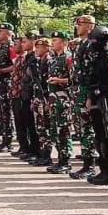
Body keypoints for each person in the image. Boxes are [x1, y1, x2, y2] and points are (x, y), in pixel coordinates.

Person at [84, 25, 108, 185]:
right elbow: (93, 81)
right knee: (99, 138)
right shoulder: (96, 57)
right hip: (97, 100)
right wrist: (92, 96)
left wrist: (100, 93)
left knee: (107, 137)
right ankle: (103, 169)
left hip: (106, 102)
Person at [71, 15, 100, 179]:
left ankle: (90, 165)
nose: (77, 26)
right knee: (82, 129)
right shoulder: (81, 44)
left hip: (86, 92)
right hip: (78, 91)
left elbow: (91, 72)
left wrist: (90, 95)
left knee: (87, 129)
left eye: (80, 24)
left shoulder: (91, 45)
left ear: (90, 26)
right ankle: (86, 163)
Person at [45, 31, 74, 173]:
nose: (53, 42)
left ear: (64, 42)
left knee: (64, 131)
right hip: (53, 100)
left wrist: (59, 80)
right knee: (54, 131)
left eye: (56, 40)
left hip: (64, 100)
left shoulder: (69, 58)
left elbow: (74, 79)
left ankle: (66, 162)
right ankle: (60, 160)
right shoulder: (53, 59)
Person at [29, 37, 54, 166]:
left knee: (46, 127)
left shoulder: (49, 62)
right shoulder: (36, 62)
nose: (36, 49)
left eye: (39, 47)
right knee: (40, 127)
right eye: (36, 47)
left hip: (46, 98)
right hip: (38, 97)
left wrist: (47, 101)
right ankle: (42, 153)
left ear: (47, 48)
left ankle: (47, 155)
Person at [0, 23, 16, 151]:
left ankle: (9, 141)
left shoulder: (11, 47)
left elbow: (15, 66)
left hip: (7, 84)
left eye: (1, 31)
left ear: (8, 33)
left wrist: (1, 71)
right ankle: (4, 139)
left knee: (7, 112)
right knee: (2, 112)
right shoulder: (1, 47)